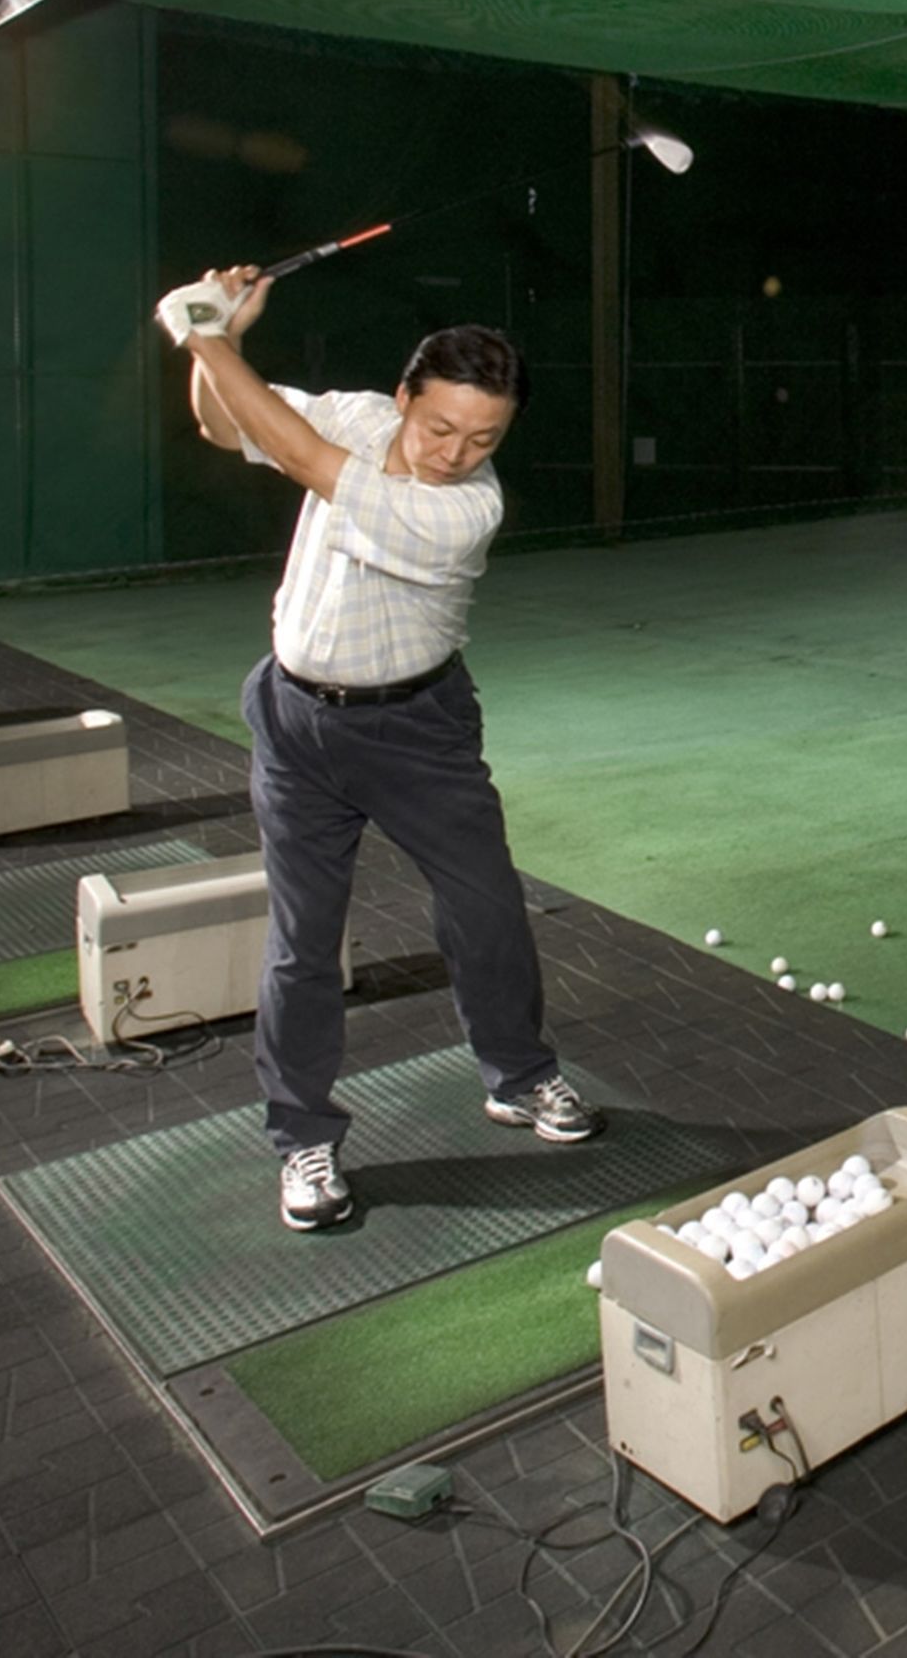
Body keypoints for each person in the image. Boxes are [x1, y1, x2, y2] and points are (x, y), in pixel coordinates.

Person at [158, 264, 599, 1234]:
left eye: (484, 437)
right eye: (439, 426)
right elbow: (225, 423)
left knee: (486, 909)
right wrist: (219, 335)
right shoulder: (358, 418)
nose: (454, 452)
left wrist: (205, 335)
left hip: (417, 729)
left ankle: (519, 1076)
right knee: (303, 940)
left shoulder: (463, 511)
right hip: (293, 719)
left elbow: (308, 465)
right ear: (404, 397)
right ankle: (302, 1137)